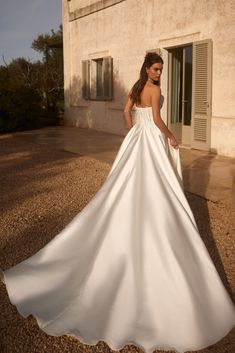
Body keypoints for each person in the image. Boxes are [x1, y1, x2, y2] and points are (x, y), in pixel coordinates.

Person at [1, 52, 235, 353]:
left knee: (125, 184)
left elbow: (127, 114)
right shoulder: (154, 90)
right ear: (147, 68)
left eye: (161, 69)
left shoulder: (136, 88)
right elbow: (159, 120)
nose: (159, 72)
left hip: (135, 139)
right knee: (154, 186)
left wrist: (135, 130)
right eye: (155, 68)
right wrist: (171, 137)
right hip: (150, 138)